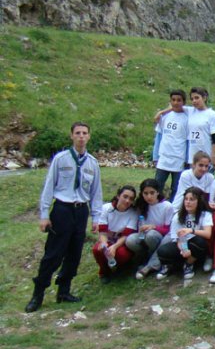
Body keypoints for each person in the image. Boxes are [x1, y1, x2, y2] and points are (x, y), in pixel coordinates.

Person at [26, 122, 103, 313]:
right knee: (53, 253)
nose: (81, 136)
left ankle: (64, 290)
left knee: (74, 253)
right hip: (62, 209)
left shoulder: (92, 163)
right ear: (71, 136)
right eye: (77, 133)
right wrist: (44, 215)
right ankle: (38, 293)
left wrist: (96, 217)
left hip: (81, 210)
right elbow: (49, 186)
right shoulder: (61, 159)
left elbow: (96, 192)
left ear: (89, 136)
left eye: (84, 133)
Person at [156, 87, 215, 170]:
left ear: (204, 98)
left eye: (197, 98)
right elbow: (175, 106)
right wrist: (161, 112)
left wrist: (213, 155)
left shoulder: (212, 114)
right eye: (192, 99)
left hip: (207, 154)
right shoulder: (190, 111)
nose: (194, 101)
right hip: (193, 157)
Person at [157, 187, 214, 281]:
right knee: (162, 251)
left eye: (192, 199)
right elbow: (178, 239)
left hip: (196, 245)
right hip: (183, 244)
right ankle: (168, 266)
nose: (188, 202)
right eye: (186, 199)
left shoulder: (205, 214)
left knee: (200, 242)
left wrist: (191, 230)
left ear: (199, 201)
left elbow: (208, 234)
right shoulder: (178, 216)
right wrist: (184, 249)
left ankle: (189, 264)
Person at [126, 178, 174, 280]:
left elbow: (168, 230)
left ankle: (151, 264)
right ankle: (144, 257)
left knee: (151, 235)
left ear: (158, 192)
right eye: (146, 193)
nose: (149, 197)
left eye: (152, 193)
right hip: (143, 235)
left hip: (160, 237)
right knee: (130, 240)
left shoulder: (167, 206)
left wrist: (154, 227)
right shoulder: (141, 205)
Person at [91, 186, 138, 283]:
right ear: (118, 196)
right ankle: (104, 272)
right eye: (125, 196)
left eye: (131, 199)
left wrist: (114, 247)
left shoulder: (133, 213)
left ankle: (122, 267)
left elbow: (126, 235)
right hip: (108, 239)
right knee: (98, 249)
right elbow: (102, 232)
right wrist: (104, 244)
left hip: (122, 242)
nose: (127, 201)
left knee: (121, 254)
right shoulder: (106, 208)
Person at [155, 89, 188, 200]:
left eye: (179, 100)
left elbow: (188, 141)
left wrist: (187, 159)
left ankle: (174, 208)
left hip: (178, 158)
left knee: (176, 188)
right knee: (157, 185)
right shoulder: (165, 117)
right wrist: (155, 156)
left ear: (184, 102)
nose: (175, 103)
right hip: (164, 157)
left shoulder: (187, 119)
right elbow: (159, 136)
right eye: (173, 100)